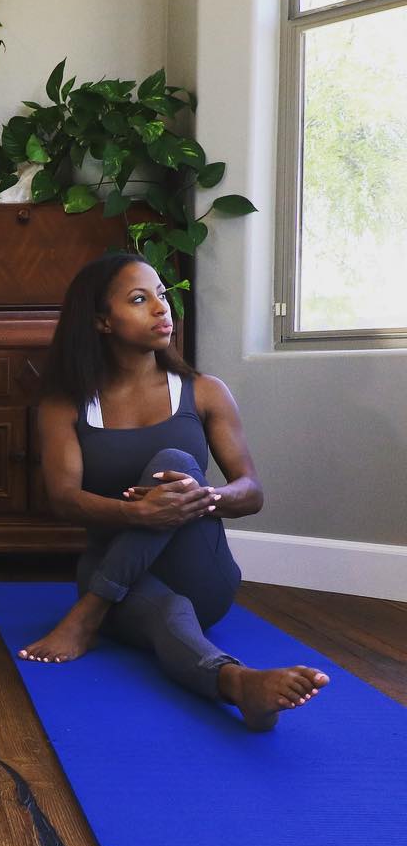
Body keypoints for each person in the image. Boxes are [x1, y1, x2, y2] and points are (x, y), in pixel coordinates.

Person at [18, 252, 329, 731]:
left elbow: (251, 491)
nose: (162, 309)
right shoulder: (67, 403)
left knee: (178, 465)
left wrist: (202, 498)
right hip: (124, 581)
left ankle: (88, 614)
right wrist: (138, 517)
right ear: (102, 320)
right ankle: (239, 684)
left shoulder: (204, 391)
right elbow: (63, 497)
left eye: (161, 296)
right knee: (167, 610)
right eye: (140, 299)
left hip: (198, 573)